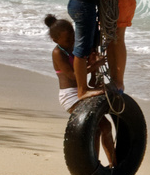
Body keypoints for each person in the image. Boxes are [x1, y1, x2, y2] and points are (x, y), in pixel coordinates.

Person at [45, 14, 114, 164]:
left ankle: (109, 165)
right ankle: (97, 165)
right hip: (70, 96)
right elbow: (72, 76)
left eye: (73, 37)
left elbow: (87, 68)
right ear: (56, 40)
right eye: (68, 40)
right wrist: (95, 65)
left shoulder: (76, 48)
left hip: (82, 91)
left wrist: (94, 66)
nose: (72, 41)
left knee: (100, 127)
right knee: (103, 125)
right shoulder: (58, 53)